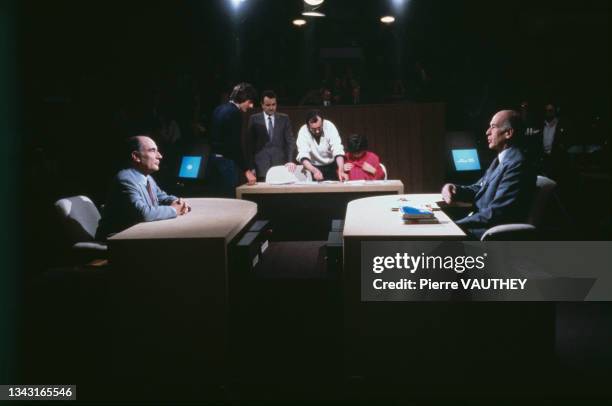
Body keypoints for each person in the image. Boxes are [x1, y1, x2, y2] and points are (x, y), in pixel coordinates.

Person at [441, 110, 535, 239]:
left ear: (508, 133)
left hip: (486, 233)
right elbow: (480, 188)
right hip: (479, 225)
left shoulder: (518, 164)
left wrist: (453, 225)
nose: (487, 132)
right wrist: (454, 189)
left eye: (493, 127)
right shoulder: (501, 159)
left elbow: (497, 213)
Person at [97, 135, 191, 240]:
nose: (159, 156)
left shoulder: (147, 178)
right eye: (152, 151)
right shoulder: (125, 179)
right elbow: (143, 213)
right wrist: (173, 210)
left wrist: (178, 202)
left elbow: (162, 197)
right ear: (136, 156)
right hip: (116, 240)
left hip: (137, 236)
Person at [207, 82, 257, 197]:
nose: (251, 106)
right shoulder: (235, 113)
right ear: (243, 99)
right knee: (229, 201)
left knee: (217, 200)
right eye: (250, 102)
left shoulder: (218, 109)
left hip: (213, 162)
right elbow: (234, 146)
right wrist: (246, 170)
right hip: (226, 163)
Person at [246, 90, 296, 181]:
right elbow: (249, 146)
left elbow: (290, 142)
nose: (271, 108)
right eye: (268, 105)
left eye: (274, 104)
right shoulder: (254, 119)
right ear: (262, 105)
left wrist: (290, 160)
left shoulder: (284, 119)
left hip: (280, 166)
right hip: (260, 167)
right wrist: (251, 167)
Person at [296, 110, 348, 181]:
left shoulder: (329, 126)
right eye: (314, 129)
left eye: (319, 128)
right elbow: (303, 154)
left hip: (331, 166)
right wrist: (314, 171)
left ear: (323, 122)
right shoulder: (303, 131)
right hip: (312, 167)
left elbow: (337, 149)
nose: (317, 131)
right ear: (308, 126)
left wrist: (341, 170)